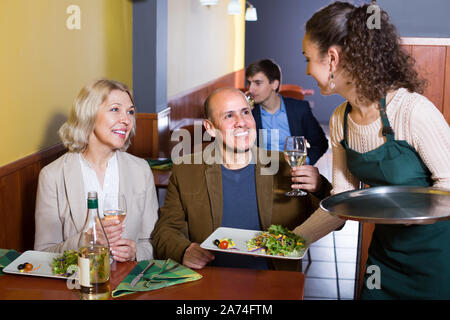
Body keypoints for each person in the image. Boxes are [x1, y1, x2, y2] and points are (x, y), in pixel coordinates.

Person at [292, 2, 450, 299]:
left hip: (438, 260)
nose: (307, 70)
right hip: (385, 260)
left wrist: (406, 213)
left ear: (332, 58)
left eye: (308, 58)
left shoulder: (412, 111)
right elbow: (339, 204)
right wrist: (292, 241)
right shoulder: (341, 119)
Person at [151, 87, 331, 271]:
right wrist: (184, 250)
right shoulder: (186, 170)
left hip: (274, 281)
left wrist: (319, 187)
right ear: (210, 128)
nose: (242, 122)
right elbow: (164, 231)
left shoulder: (284, 165)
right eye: (229, 116)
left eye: (245, 112)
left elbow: (332, 218)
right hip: (210, 280)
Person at [34, 79, 159, 262]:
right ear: (88, 115)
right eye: (115, 109)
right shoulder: (52, 176)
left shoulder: (141, 170)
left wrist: (136, 253)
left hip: (127, 286)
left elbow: (152, 242)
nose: (126, 120)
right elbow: (43, 254)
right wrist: (87, 240)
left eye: (130, 112)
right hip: (76, 287)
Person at [246, 59, 328, 165]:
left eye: (257, 83)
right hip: (262, 174)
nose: (251, 89)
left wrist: (304, 162)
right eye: (249, 83)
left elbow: (320, 143)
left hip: (292, 173)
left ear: (274, 84)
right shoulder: (249, 114)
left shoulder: (300, 109)